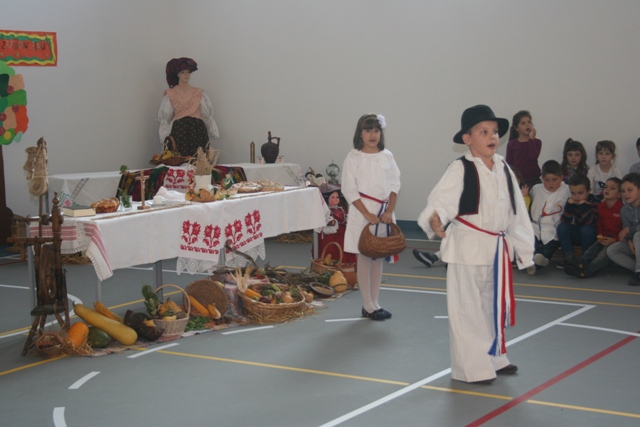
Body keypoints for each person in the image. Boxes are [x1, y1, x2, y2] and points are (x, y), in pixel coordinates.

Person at [418, 105, 534, 385]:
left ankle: (494, 357)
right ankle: (472, 368)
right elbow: (441, 199)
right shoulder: (460, 168)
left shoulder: (503, 167)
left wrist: (524, 250)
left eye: (494, 132)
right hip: (468, 248)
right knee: (467, 310)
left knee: (492, 307)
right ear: (467, 139)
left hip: (496, 249)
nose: (491, 137)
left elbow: (517, 211)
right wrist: (435, 218)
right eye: (483, 132)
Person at [341, 113, 400, 321]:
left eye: (376, 130)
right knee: (365, 256)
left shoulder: (387, 156)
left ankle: (375, 302)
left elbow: (395, 184)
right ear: (360, 133)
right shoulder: (353, 158)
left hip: (383, 213)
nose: (372, 135)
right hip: (362, 213)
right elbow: (349, 189)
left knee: (378, 255)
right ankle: (367, 304)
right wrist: (366, 214)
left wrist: (389, 210)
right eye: (368, 130)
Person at [157, 57, 220, 157]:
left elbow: (206, 115)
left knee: (199, 160)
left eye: (188, 72)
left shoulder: (198, 93)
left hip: (197, 130)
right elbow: (166, 117)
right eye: (182, 72)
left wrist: (212, 131)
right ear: (177, 74)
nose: (186, 75)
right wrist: (164, 136)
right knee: (180, 159)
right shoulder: (171, 94)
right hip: (180, 131)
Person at [565, 178, 623, 278]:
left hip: (617, 240)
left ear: (619, 194)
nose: (607, 189)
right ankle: (581, 262)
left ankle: (587, 270)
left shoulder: (622, 209)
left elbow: (624, 229)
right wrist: (600, 236)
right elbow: (599, 224)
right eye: (606, 187)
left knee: (603, 255)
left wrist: (614, 240)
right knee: (592, 249)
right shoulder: (601, 207)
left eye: (612, 188)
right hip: (605, 237)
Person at [529, 160, 571, 274]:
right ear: (542, 178)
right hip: (535, 226)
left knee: (549, 247)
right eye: (547, 180)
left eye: (554, 180)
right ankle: (536, 262)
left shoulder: (567, 190)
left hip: (554, 227)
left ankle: (537, 263)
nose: (550, 184)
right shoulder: (536, 189)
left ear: (561, 178)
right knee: (532, 243)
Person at [555, 174, 598, 269]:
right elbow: (565, 220)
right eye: (573, 193)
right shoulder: (571, 201)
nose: (576, 196)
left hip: (591, 235)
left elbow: (591, 222)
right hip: (578, 232)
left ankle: (585, 260)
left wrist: (583, 207)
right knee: (562, 227)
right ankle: (568, 258)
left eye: (580, 193)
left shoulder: (594, 201)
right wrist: (569, 206)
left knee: (587, 229)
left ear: (589, 191)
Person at [606, 173, 640, 286]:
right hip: (635, 241)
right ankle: (637, 269)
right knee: (612, 250)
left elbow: (628, 230)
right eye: (623, 191)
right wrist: (629, 240)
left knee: (638, 236)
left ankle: (639, 272)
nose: (626, 194)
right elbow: (626, 228)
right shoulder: (624, 210)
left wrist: (629, 230)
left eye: (630, 190)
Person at [315, 185, 357, 265]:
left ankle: (343, 265)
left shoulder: (340, 209)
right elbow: (324, 220)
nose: (335, 199)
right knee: (330, 250)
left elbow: (345, 218)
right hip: (330, 235)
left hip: (341, 234)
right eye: (333, 197)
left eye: (337, 197)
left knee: (341, 249)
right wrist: (330, 222)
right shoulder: (325, 211)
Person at [506, 110, 542, 188]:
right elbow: (509, 164)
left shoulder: (537, 142)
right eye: (523, 123)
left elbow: (533, 156)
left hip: (534, 179)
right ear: (516, 128)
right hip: (519, 181)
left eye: (529, 122)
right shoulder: (512, 144)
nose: (527, 125)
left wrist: (531, 139)